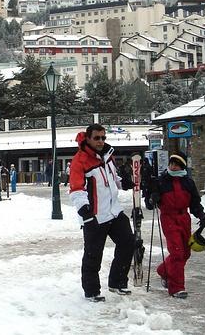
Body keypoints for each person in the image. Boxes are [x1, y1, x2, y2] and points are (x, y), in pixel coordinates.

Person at [69, 123, 136, 302]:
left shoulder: (108, 155)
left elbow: (114, 178)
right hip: (95, 215)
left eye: (103, 137)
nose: (101, 141)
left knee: (128, 243)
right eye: (97, 138)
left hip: (114, 212)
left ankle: (117, 282)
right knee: (93, 254)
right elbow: (76, 189)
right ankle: (91, 291)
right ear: (88, 138)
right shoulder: (80, 160)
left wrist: (125, 183)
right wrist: (85, 211)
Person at [144, 152, 205, 299]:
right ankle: (176, 288)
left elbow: (195, 203)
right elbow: (149, 204)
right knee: (177, 252)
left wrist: (202, 215)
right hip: (168, 218)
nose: (173, 166)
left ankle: (164, 270)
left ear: (182, 166)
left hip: (184, 218)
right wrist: (151, 199)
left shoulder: (188, 182)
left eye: (176, 164)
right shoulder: (161, 181)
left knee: (185, 253)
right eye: (171, 163)